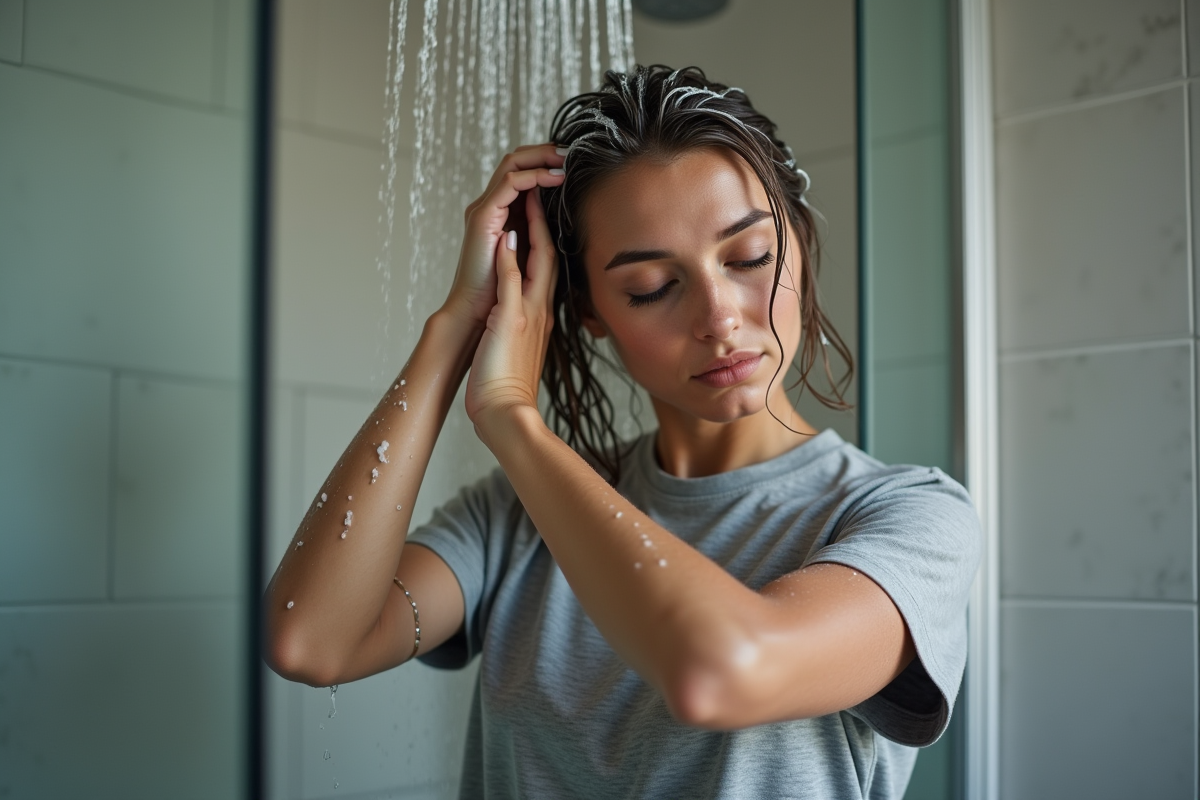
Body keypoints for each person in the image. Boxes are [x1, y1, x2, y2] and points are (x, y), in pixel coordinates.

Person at [265, 64, 981, 799]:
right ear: (589, 312)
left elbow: (719, 674)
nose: (719, 316)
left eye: (749, 257)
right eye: (651, 288)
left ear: (799, 243)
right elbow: (311, 639)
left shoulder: (912, 518)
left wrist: (512, 420)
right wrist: (458, 327)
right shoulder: (517, 520)